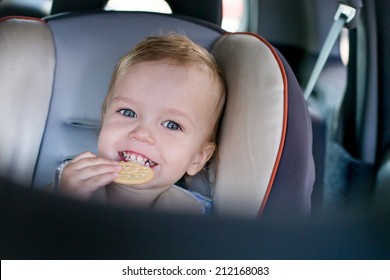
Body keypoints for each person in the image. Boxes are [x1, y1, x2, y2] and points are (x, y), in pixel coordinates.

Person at [56, 33, 226, 215]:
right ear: (104, 118)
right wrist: (63, 203)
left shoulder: (202, 221)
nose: (142, 133)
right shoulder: (66, 187)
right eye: (128, 112)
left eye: (172, 125)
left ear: (198, 158)